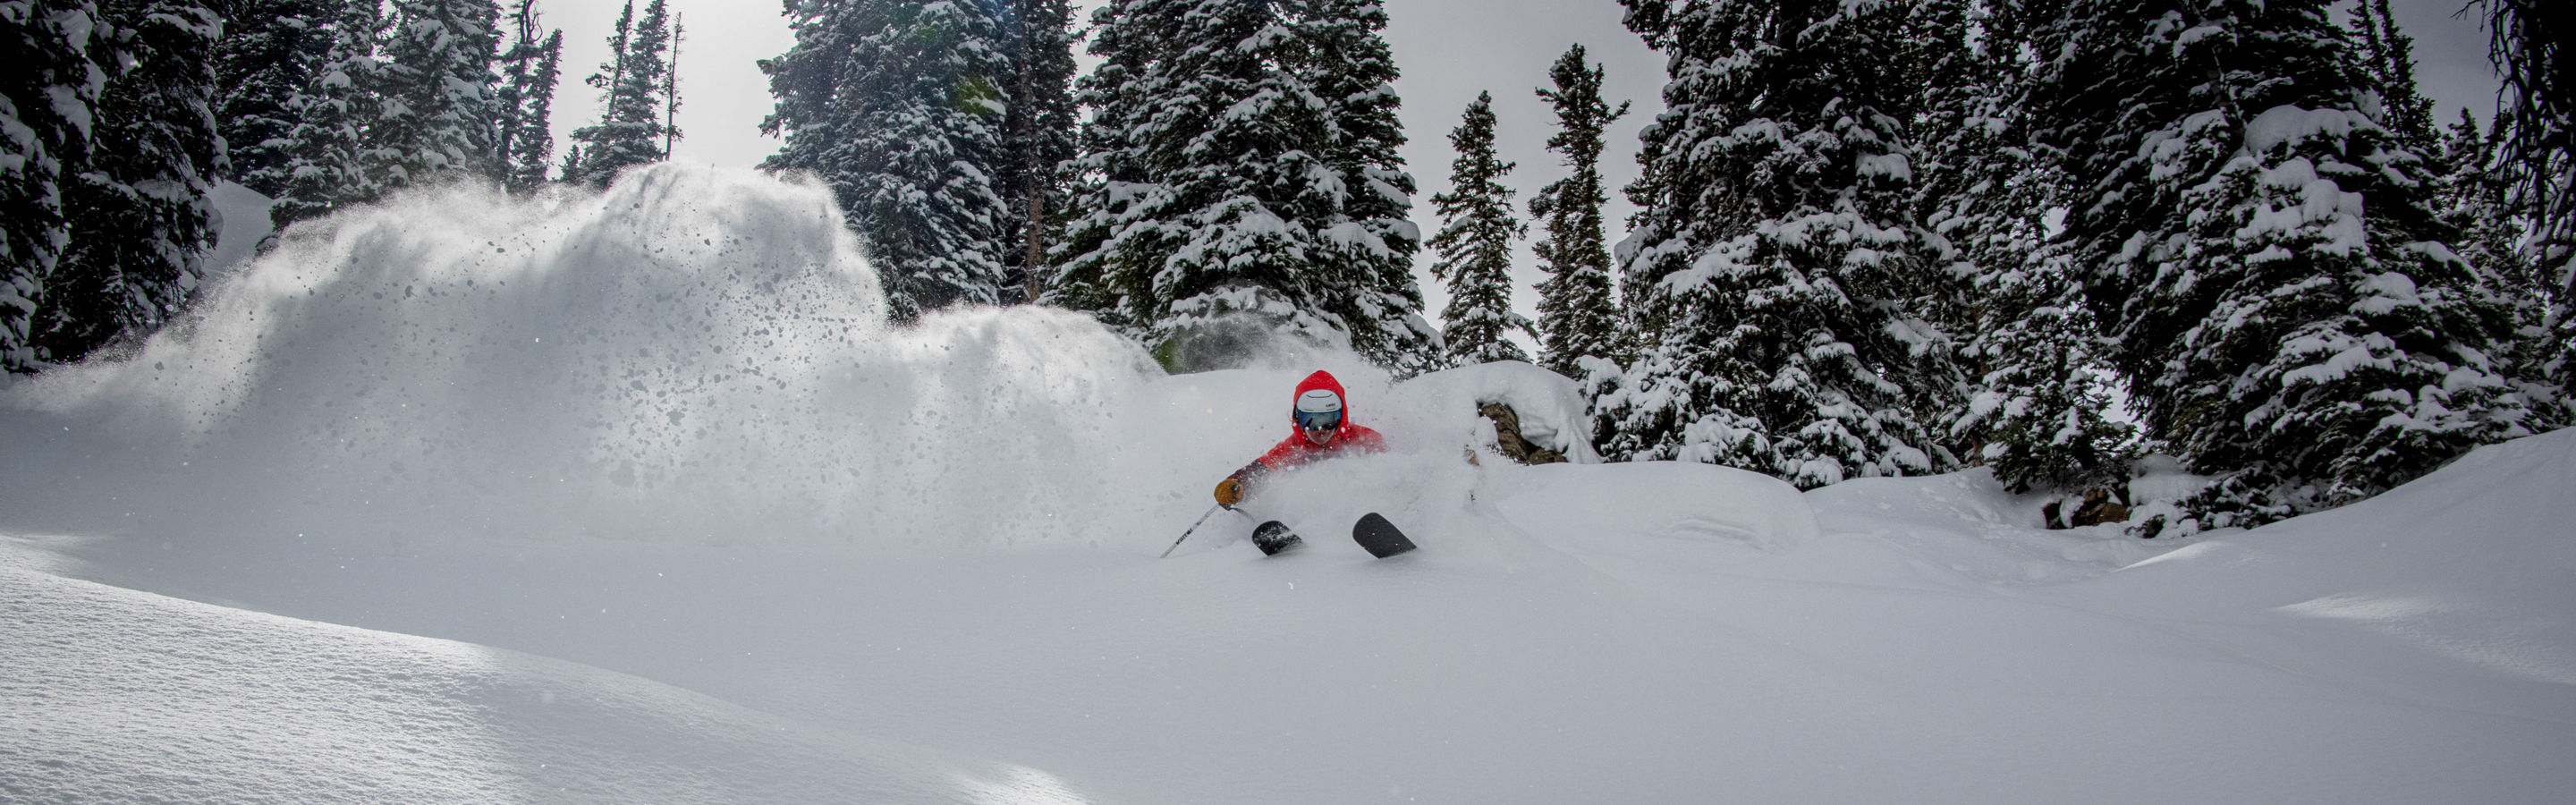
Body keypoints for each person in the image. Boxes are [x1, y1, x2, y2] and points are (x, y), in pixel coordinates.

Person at [1212, 369, 1385, 553]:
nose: (1321, 429)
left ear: (1340, 417)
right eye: (1311, 420)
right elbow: (1263, 469)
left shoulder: (1365, 440)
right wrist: (1238, 484)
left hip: (1357, 514)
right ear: (1298, 419)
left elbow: (1392, 472)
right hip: (1314, 518)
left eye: (1328, 419)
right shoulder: (1294, 448)